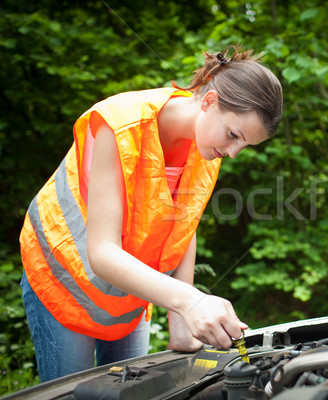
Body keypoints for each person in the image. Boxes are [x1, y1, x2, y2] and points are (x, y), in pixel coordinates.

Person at [19, 45, 283, 382]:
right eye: (234, 135)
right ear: (209, 102)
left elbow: (182, 227)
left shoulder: (206, 146)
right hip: (62, 283)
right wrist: (190, 302)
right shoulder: (118, 125)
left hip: (127, 294)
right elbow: (101, 253)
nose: (232, 153)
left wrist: (181, 322)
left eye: (244, 145)